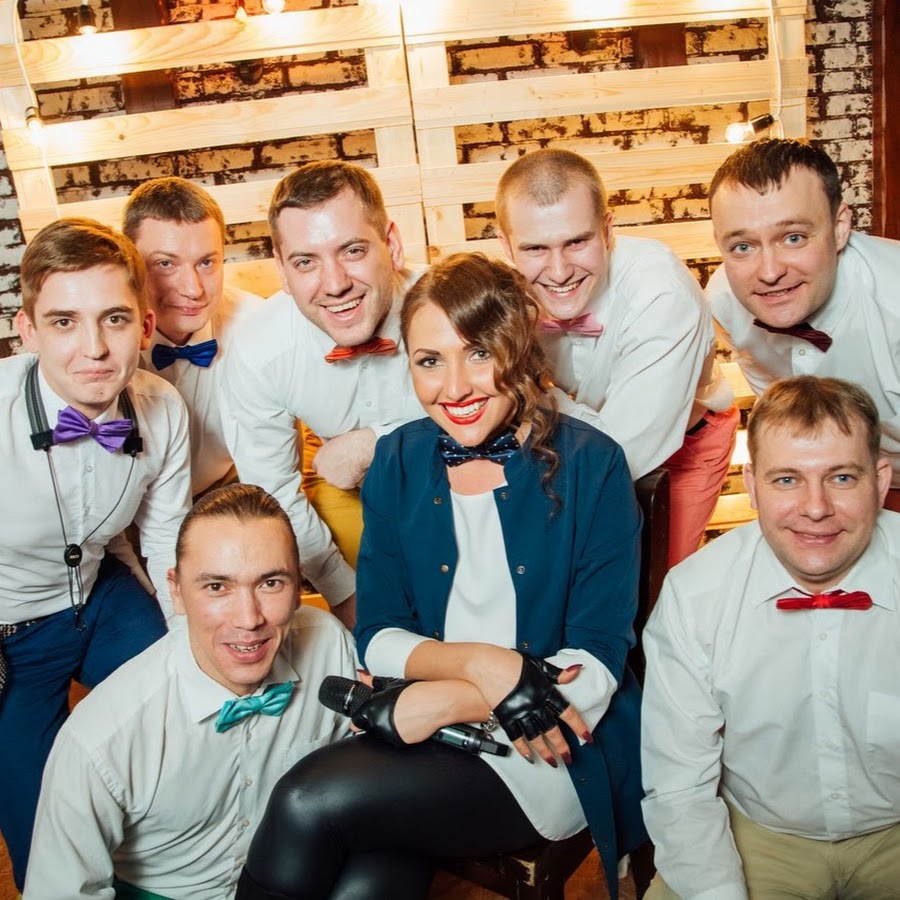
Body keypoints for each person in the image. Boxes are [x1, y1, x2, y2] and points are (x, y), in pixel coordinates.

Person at [236, 253, 647, 900]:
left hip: (549, 744)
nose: (454, 387)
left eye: (478, 354)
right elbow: (378, 634)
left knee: (305, 801)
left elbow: (594, 668)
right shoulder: (397, 459)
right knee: (366, 874)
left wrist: (441, 700)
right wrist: (483, 665)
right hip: (432, 730)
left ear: (520, 346)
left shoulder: (595, 464)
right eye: (430, 360)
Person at [24, 483, 357, 900]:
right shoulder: (100, 740)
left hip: (288, 878)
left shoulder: (328, 643)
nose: (248, 619)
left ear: (297, 586)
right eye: (217, 587)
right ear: (176, 591)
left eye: (271, 583)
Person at [641, 375, 900, 899]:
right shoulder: (695, 594)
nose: (815, 508)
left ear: (880, 479)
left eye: (842, 477)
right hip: (757, 832)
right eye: (787, 480)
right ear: (753, 485)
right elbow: (679, 786)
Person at [0, 218, 192, 889]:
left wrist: (187, 652)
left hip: (104, 597)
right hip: (10, 632)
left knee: (186, 727)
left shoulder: (163, 407)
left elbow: (165, 540)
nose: (95, 349)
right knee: (41, 833)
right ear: (26, 331)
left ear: (145, 326)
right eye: (64, 322)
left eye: (114, 319)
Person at [496, 148, 738, 567]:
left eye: (576, 242)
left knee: (649, 582)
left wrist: (536, 394)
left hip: (681, 446)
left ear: (607, 230)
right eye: (535, 249)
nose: (558, 272)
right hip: (566, 442)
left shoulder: (661, 293)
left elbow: (621, 455)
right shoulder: (503, 294)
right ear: (506, 246)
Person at [224, 161, 424, 627]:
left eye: (352, 250)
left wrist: (377, 440)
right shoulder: (258, 351)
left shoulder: (453, 306)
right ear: (281, 270)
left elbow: (516, 409)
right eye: (305, 262)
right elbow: (273, 490)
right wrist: (344, 594)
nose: (335, 284)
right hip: (351, 495)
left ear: (392, 245)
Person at [707, 137, 900, 511]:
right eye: (743, 246)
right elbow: (778, 404)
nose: (769, 272)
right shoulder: (724, 302)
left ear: (840, 226)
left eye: (793, 238)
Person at [123, 177, 262, 498]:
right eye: (165, 264)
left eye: (206, 262)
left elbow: (275, 463)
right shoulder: (104, 340)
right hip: (132, 506)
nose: (192, 289)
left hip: (229, 492)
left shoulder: (257, 327)